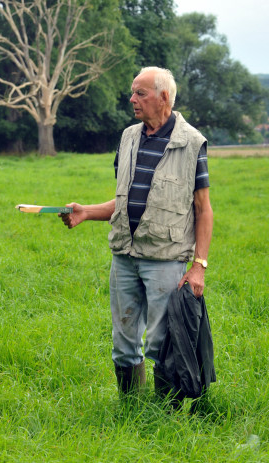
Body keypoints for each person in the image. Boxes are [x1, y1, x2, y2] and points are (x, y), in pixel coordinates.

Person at [60, 66, 213, 400]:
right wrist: (87, 212)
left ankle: (163, 415)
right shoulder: (129, 136)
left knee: (163, 341)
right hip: (125, 259)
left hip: (165, 260)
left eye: (140, 93)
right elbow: (124, 199)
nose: (132, 99)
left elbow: (203, 209)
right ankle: (131, 408)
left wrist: (199, 264)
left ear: (163, 98)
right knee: (124, 341)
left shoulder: (191, 143)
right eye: (133, 92)